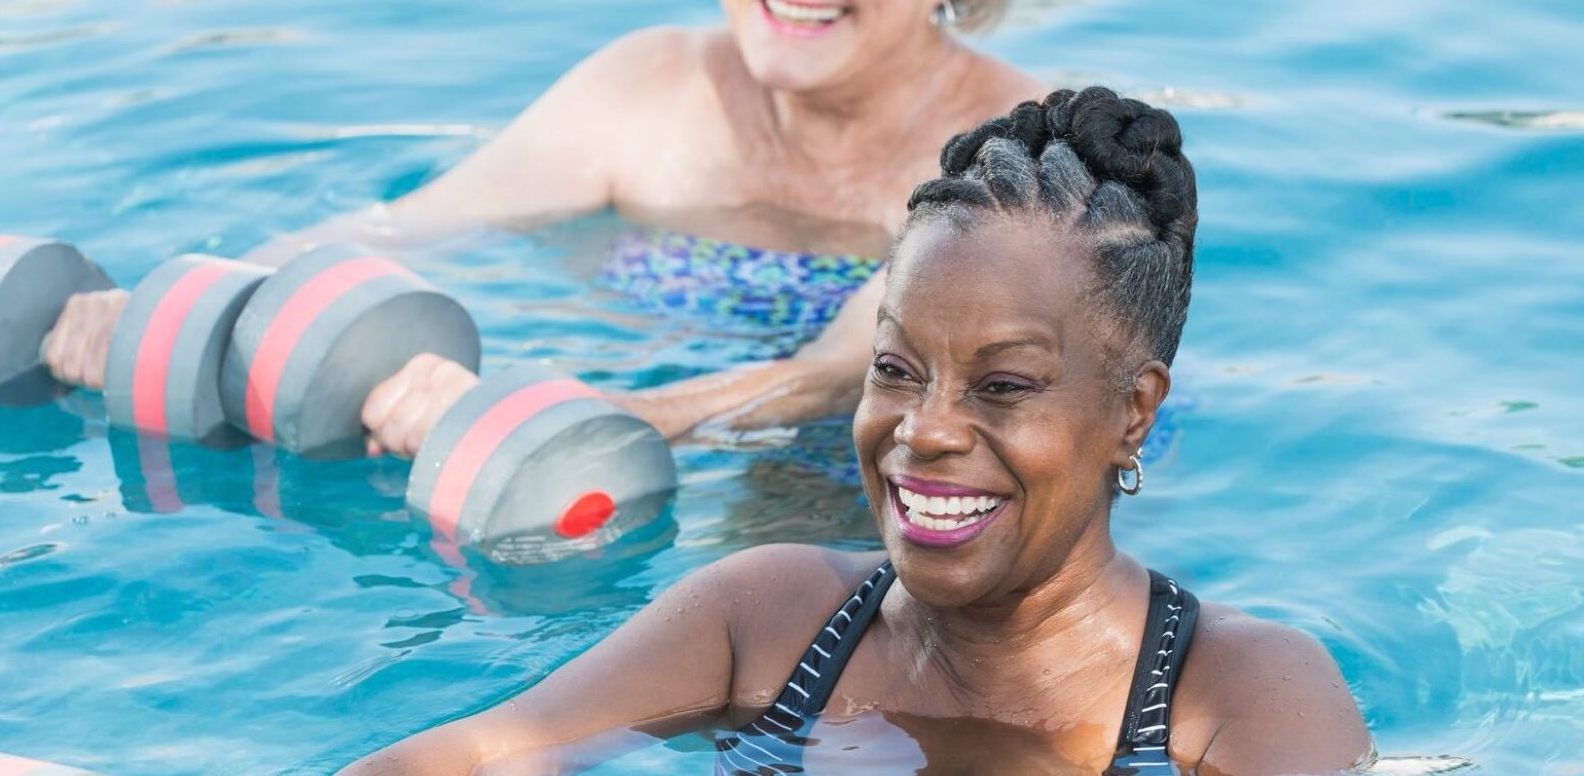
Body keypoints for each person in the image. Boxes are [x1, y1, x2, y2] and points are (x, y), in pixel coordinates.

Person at [338, 89, 1375, 775]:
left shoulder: (1234, 695)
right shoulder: (768, 620)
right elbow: (480, 754)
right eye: (895, 370)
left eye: (1004, 386)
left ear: (1132, 412)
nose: (923, 432)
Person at [41, 0, 1045, 454]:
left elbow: (837, 377)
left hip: (932, 467)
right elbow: (401, 228)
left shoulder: (1015, 154)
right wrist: (177, 305)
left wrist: (548, 418)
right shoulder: (648, 85)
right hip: (663, 424)